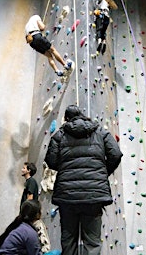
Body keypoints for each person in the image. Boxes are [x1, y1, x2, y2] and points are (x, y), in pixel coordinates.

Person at [45, 105, 123, 255]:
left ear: (66, 119)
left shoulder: (60, 135)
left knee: (69, 241)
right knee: (92, 243)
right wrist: (101, 173)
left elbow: (51, 161)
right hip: (93, 196)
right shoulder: (100, 132)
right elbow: (116, 154)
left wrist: (65, 168)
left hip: (67, 195)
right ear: (82, 115)